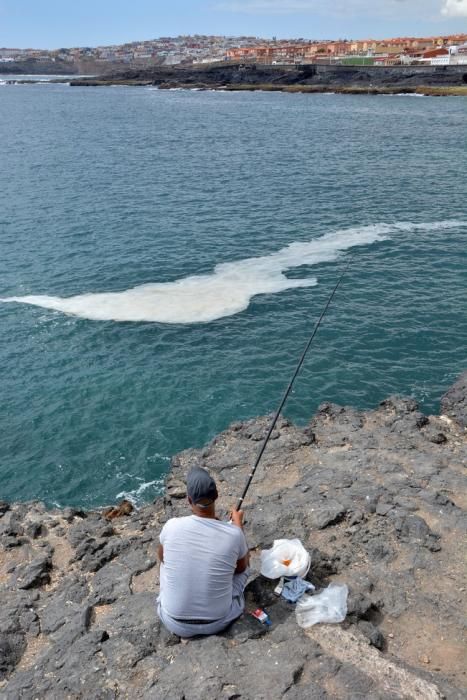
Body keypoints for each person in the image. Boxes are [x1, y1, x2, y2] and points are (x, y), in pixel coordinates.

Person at [156, 466, 250, 638]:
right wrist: (238, 525)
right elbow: (241, 569)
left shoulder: (171, 526)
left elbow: (162, 558)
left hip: (174, 622)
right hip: (218, 622)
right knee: (244, 565)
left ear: (189, 500)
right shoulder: (234, 534)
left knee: (165, 563)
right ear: (216, 495)